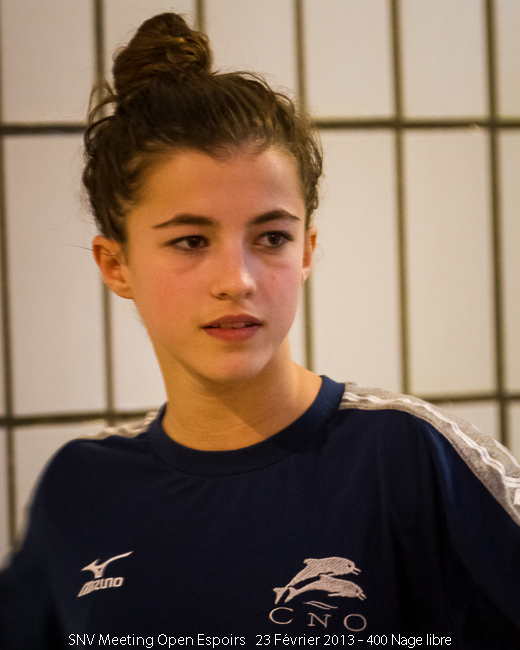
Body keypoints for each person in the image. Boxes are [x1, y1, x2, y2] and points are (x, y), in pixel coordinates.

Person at [1, 12, 519, 649]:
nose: (237, 280)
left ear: (306, 252)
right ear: (116, 264)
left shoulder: (411, 457)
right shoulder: (82, 488)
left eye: (271, 237)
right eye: (190, 241)